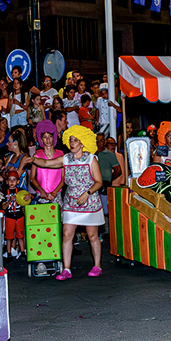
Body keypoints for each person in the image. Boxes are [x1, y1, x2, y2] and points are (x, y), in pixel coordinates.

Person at [24, 126, 105, 280]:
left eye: (75, 140)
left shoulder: (91, 159)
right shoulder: (66, 158)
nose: (72, 143)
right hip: (71, 201)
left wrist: (87, 193)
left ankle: (97, 266)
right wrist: (33, 159)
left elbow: (99, 182)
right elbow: (47, 163)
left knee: (92, 235)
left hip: (90, 201)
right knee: (67, 234)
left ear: (83, 143)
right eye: (70, 140)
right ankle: (66, 269)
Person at [30, 120, 65, 204]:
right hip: (41, 195)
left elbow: (64, 178)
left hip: (56, 195)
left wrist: (55, 192)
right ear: (41, 139)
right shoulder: (37, 156)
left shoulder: (61, 154)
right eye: (45, 137)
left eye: (50, 136)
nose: (48, 140)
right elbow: (32, 178)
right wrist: (41, 191)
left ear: (54, 137)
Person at [0, 169, 26, 259]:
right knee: (9, 236)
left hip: (19, 216)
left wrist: (28, 197)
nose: (12, 182)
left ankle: (22, 252)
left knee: (20, 235)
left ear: (18, 181)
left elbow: (29, 197)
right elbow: (3, 207)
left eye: (14, 180)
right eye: (10, 180)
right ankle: (9, 253)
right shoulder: (4, 192)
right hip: (9, 217)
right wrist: (10, 200)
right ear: (7, 182)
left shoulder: (20, 191)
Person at [95, 137, 122, 216]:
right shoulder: (91, 153)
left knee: (105, 212)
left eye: (101, 140)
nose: (99, 142)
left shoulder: (109, 154)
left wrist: (109, 179)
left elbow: (118, 170)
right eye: (98, 140)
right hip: (92, 185)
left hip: (105, 185)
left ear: (104, 142)